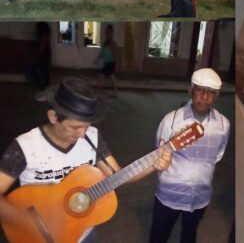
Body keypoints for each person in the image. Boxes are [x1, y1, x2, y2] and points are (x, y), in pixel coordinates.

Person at [0, 77, 172, 242]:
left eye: (87, 126)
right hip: (38, 234)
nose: (82, 134)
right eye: (75, 127)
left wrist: (154, 164)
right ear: (53, 117)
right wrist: (28, 223)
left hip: (82, 234)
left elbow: (118, 175)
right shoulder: (25, 147)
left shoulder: (92, 138)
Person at [149, 68, 230, 243]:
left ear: (217, 95)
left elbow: (217, 155)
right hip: (170, 195)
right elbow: (158, 155)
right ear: (190, 90)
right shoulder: (171, 121)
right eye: (200, 90)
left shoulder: (224, 124)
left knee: (189, 235)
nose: (205, 96)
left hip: (200, 196)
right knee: (158, 236)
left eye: (211, 92)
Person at [96, 24, 118, 97]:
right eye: (106, 32)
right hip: (105, 63)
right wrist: (97, 58)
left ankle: (115, 93)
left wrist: (116, 65)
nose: (107, 34)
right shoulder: (105, 42)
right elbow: (102, 52)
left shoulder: (113, 44)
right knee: (101, 76)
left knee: (112, 78)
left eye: (109, 32)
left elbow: (115, 55)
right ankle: (99, 91)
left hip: (110, 63)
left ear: (111, 33)